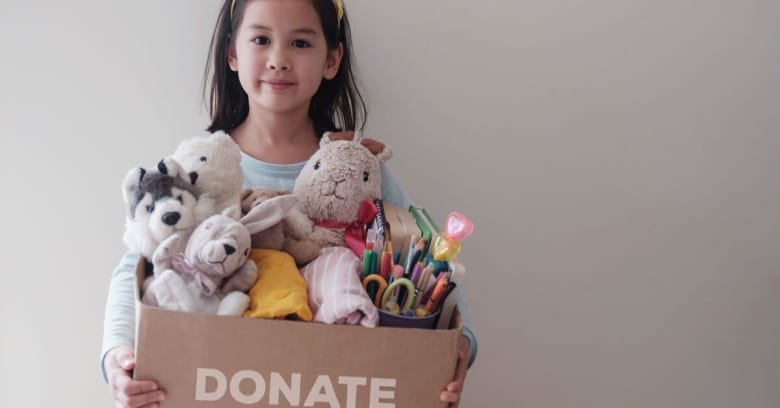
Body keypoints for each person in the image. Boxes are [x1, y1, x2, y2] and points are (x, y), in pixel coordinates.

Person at [102, 1, 477, 407]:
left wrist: (459, 346)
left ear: (331, 60)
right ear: (232, 53)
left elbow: (435, 266)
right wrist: (118, 356)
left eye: (300, 42)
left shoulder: (362, 171)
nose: (279, 60)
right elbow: (135, 267)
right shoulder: (200, 168)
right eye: (261, 39)